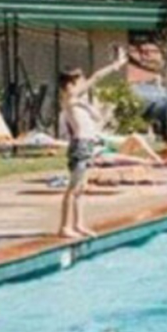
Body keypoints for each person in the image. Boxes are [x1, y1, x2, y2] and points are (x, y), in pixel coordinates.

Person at [57, 48, 129, 239]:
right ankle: (64, 227)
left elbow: (96, 117)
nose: (84, 82)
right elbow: (96, 77)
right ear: (70, 83)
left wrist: (87, 106)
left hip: (87, 145)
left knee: (81, 188)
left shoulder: (77, 101)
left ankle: (78, 224)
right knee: (73, 187)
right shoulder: (69, 98)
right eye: (80, 79)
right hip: (80, 145)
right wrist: (116, 65)